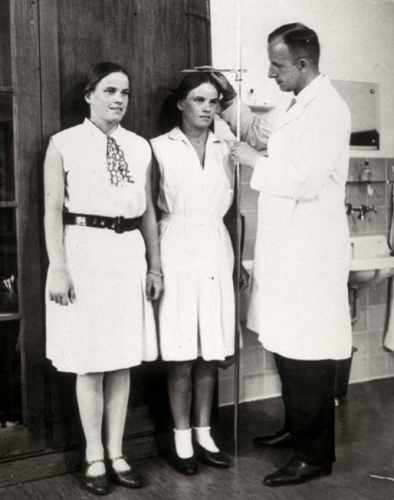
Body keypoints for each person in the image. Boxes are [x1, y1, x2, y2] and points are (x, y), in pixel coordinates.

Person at [212, 23, 352, 487]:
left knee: (308, 351)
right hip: (288, 250)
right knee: (287, 346)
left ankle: (316, 454)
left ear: (303, 64)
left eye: (277, 64)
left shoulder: (328, 110)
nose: (270, 72)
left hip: (312, 253)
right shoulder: (294, 106)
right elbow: (254, 129)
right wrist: (227, 95)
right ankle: (297, 428)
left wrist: (253, 162)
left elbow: (304, 181)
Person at [44, 61, 163, 496]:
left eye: (125, 93)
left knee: (121, 359)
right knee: (90, 360)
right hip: (83, 252)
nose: (119, 100)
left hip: (127, 253)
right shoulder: (64, 144)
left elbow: (148, 209)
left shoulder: (139, 147)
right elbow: (51, 211)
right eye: (110, 91)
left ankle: (117, 452)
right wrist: (58, 267)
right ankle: (94, 454)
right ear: (89, 95)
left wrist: (155, 265)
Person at [150, 72, 248, 475]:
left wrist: (238, 258)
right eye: (199, 100)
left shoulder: (228, 148)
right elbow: (148, 213)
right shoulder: (158, 147)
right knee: (181, 353)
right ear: (181, 104)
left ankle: (205, 434)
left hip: (215, 247)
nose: (207, 109)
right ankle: (180, 438)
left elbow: (235, 211)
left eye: (213, 102)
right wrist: (153, 265)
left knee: (211, 350)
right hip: (175, 245)